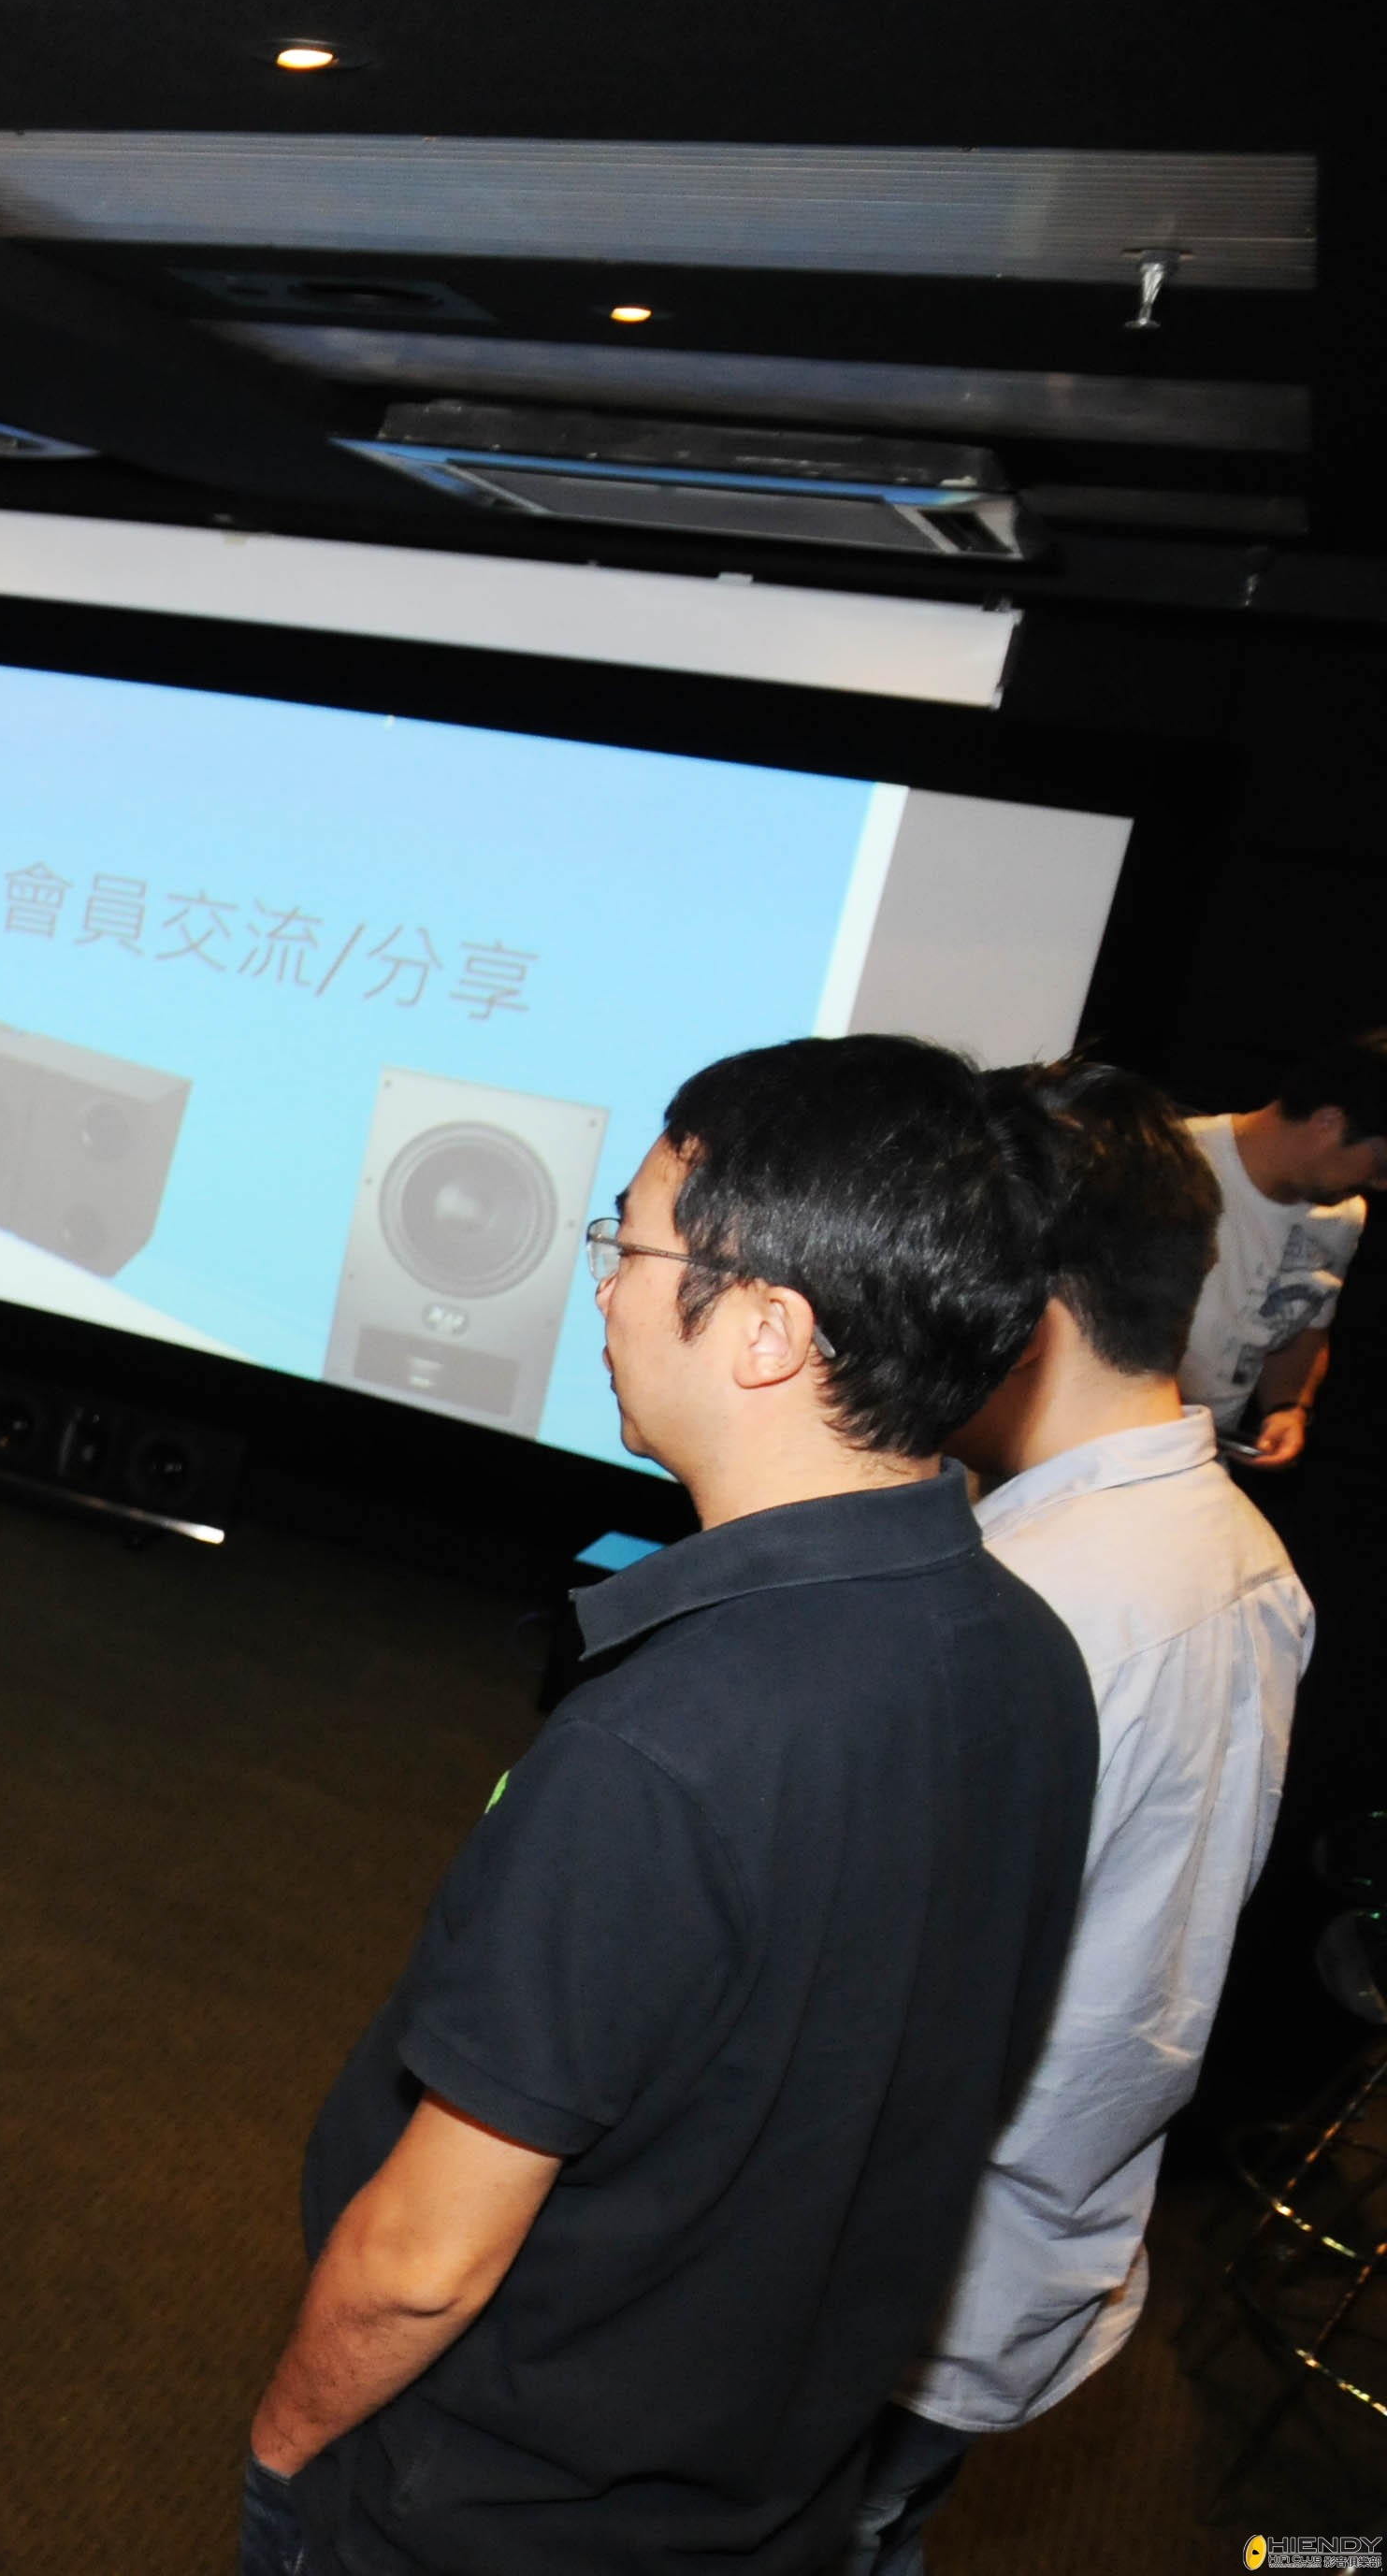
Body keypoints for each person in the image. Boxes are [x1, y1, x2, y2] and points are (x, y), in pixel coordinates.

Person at [241, 1034, 1093, 2576]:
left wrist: (284, 2457)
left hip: (492, 2519)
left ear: (765, 1329)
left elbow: (424, 2261)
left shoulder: (664, 1746)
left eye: (626, 1246)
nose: (602, 1291)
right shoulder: (1032, 1654)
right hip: (769, 2494)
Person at [841, 1061, 1311, 2572]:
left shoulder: (1028, 1605)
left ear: (1017, 1302)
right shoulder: (1239, 1553)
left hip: (900, 2271)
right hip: (1032, 2239)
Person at [1180, 1031, 1385, 1471]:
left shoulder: (1344, 1216)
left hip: (1199, 1465)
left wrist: (1288, 1409)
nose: (1381, 1184)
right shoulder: (1172, 1165)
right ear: (1328, 1121)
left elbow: (1304, 1324)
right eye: (1382, 1165)